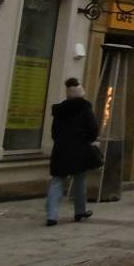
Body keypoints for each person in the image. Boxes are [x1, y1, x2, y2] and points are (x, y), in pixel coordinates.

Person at [46, 78, 98, 226]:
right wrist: (88, 139)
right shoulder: (85, 108)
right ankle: (80, 211)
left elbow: (54, 132)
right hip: (79, 149)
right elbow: (92, 130)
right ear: (81, 93)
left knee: (57, 181)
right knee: (80, 181)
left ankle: (51, 215)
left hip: (61, 149)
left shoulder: (60, 110)